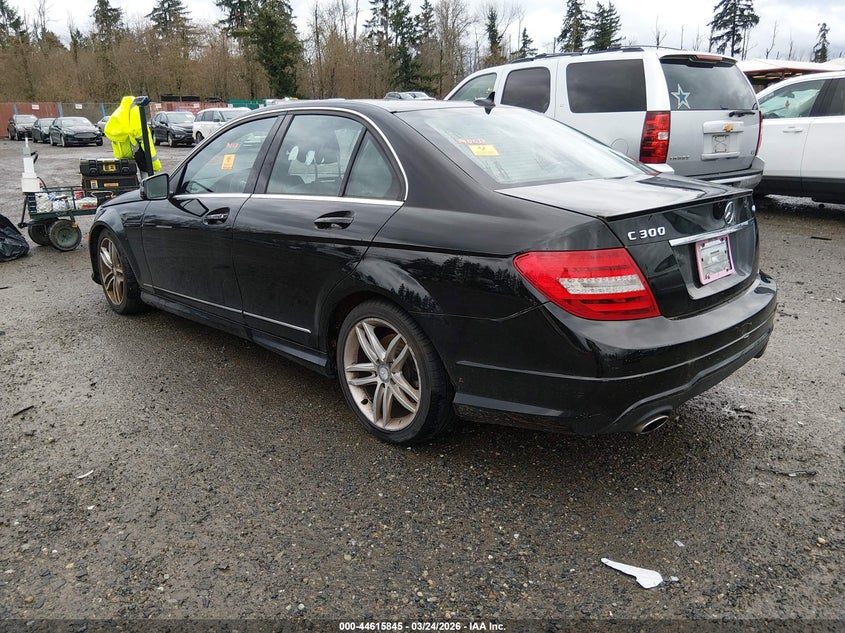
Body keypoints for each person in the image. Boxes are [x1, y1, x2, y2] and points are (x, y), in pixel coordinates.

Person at [103, 96, 161, 178]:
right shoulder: (135, 113)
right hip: (137, 152)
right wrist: (155, 164)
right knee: (146, 177)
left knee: (127, 178)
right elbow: (146, 141)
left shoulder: (118, 113)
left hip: (122, 156)